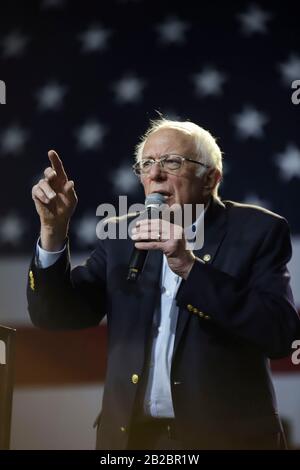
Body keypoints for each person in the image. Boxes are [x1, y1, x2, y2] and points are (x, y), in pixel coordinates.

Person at [27, 119, 300, 450]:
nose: (155, 174)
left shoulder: (258, 231)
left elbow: (281, 334)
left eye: (172, 162)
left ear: (211, 178)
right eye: (147, 164)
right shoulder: (120, 236)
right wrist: (52, 233)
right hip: (132, 443)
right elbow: (56, 315)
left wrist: (189, 266)